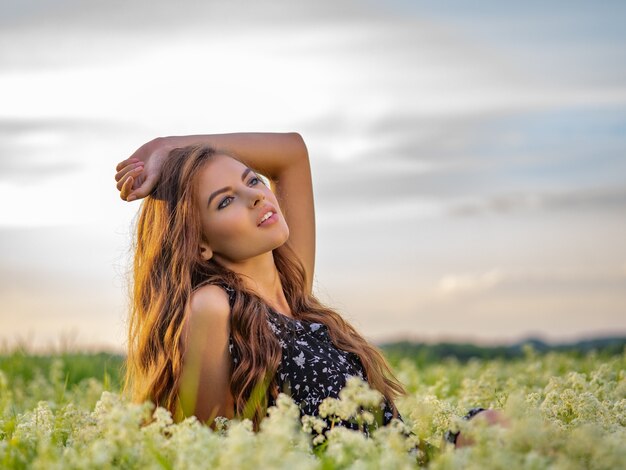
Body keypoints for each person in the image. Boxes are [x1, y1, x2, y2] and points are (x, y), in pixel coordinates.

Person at [114, 132, 508, 446]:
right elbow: (206, 447)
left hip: (405, 458)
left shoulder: (292, 288)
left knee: (492, 426)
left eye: (251, 179)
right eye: (225, 201)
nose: (255, 195)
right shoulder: (212, 306)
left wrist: (169, 146)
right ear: (199, 244)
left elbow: (292, 153)